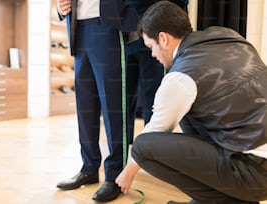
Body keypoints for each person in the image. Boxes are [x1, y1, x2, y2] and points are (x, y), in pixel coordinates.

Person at [115, 1, 267, 204]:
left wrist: (127, 173)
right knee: (190, 113)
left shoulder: (181, 76)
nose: (153, 54)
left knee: (142, 147)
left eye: (151, 47)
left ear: (163, 38)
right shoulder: (228, 36)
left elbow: (155, 130)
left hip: (253, 172)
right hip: (256, 162)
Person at [55, 0, 139, 202]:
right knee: (85, 106)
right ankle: (89, 167)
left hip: (108, 24)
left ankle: (115, 174)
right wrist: (60, 9)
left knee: (113, 105)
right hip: (77, 27)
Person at [125, 0, 188, 139]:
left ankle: (152, 145)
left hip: (157, 29)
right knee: (123, 97)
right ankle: (127, 150)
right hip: (124, 30)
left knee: (153, 96)